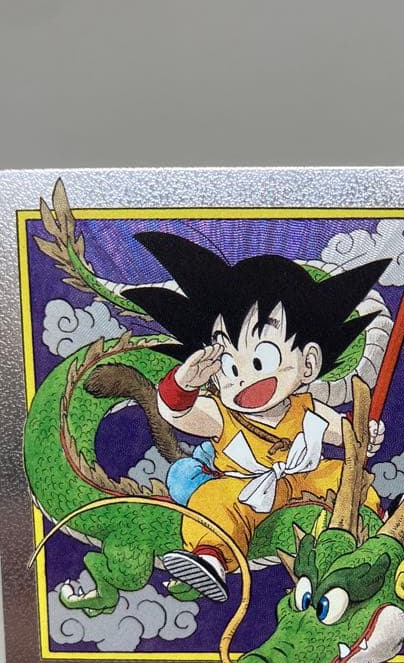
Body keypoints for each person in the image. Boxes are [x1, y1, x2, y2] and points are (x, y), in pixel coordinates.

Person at [123, 233, 388, 601]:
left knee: (344, 476)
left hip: (304, 480)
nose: (243, 379)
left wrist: (364, 437)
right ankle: (211, 558)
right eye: (230, 367)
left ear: (308, 363)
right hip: (243, 489)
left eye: (261, 360)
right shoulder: (221, 414)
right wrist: (183, 383)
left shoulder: (306, 406)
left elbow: (344, 434)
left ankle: (374, 529)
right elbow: (176, 413)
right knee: (213, 499)